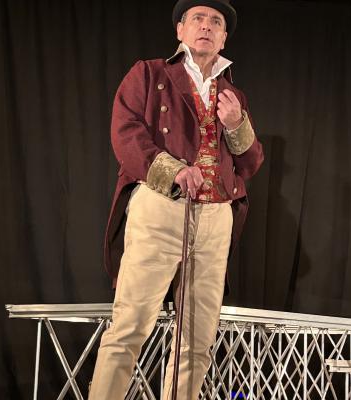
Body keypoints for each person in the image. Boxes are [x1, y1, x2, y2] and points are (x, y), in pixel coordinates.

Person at [89, 0, 264, 398]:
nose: (207, 26)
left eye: (216, 22)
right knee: (130, 326)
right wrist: (171, 170)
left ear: (224, 38)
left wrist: (237, 124)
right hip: (160, 205)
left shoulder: (233, 95)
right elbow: (126, 132)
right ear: (180, 30)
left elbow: (251, 163)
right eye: (198, 18)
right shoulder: (150, 73)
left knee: (197, 340)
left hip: (216, 216)